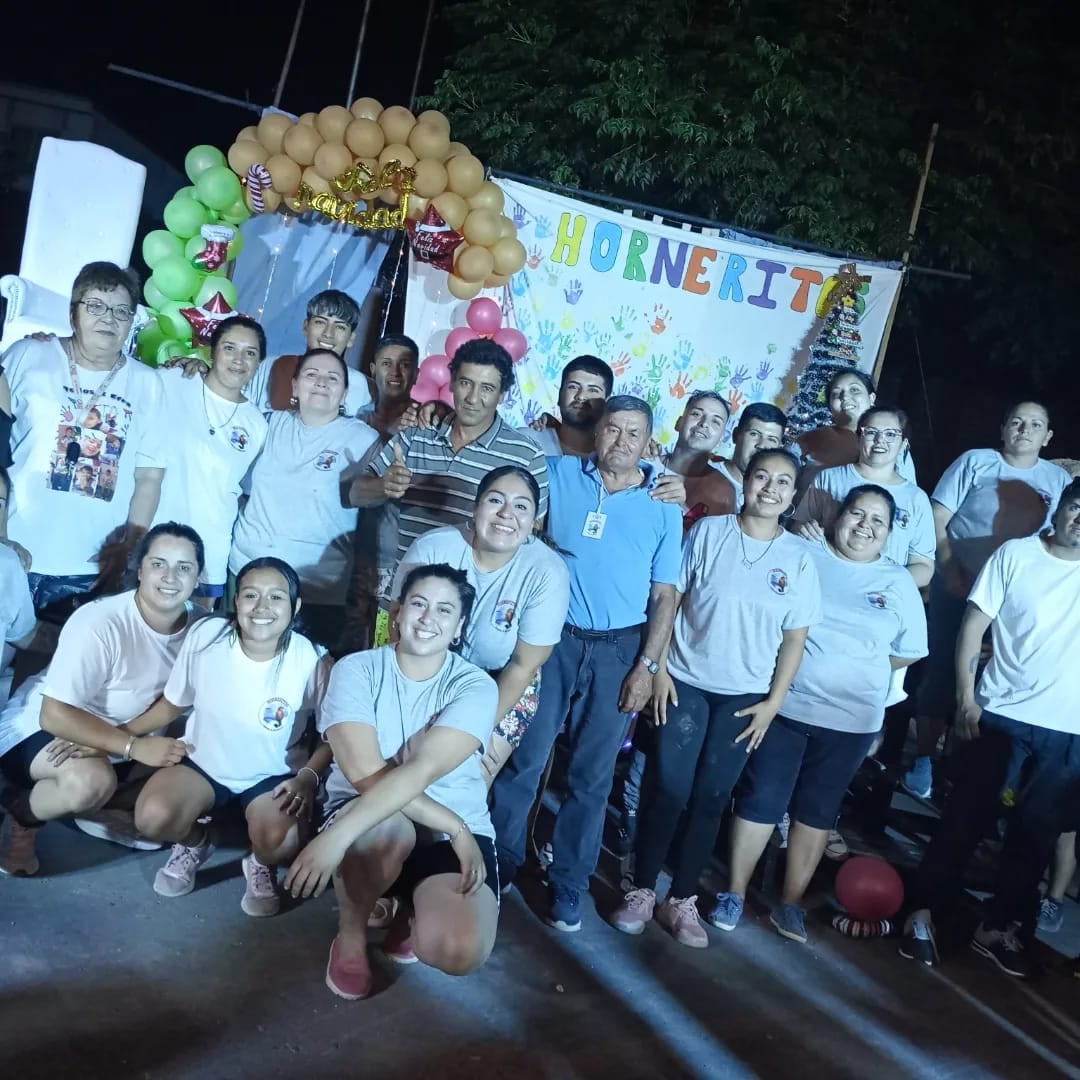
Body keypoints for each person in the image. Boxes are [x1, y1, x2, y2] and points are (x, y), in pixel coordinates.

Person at [608, 449, 820, 947]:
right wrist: (656, 667)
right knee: (669, 789)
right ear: (746, 481)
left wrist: (773, 702)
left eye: (782, 483)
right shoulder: (709, 532)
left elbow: (795, 637)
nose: (769, 488)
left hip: (745, 698)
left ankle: (682, 900)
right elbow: (672, 597)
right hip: (684, 682)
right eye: (762, 476)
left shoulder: (798, 559)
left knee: (711, 799)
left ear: (793, 496)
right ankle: (641, 890)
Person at [490, 396, 682, 932]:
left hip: (620, 649)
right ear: (595, 433)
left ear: (649, 443)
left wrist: (647, 666)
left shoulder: (663, 501)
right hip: (550, 642)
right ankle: (499, 868)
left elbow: (665, 596)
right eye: (612, 429)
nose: (621, 440)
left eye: (633, 433)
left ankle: (569, 883)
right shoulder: (556, 475)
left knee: (592, 777)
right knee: (524, 760)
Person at [721, 486, 927, 943]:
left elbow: (908, 651)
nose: (865, 525)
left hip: (852, 722)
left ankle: (790, 905)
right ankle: (733, 893)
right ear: (838, 516)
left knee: (816, 813)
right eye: (857, 513)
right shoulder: (804, 553)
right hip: (785, 706)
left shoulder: (898, 583)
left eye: (878, 520)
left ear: (890, 533)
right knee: (761, 800)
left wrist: (858, 667)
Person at [285, 565, 500, 1001]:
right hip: (372, 819)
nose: (428, 617)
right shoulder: (356, 669)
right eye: (418, 604)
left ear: (459, 628)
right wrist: (339, 835)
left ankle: (409, 911)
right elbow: (364, 772)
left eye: (444, 610)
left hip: (453, 827)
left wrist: (459, 829)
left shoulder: (475, 685)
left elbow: (422, 770)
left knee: (457, 948)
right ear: (397, 613)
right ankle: (350, 934)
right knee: (386, 826)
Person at [900, 479, 1080, 978]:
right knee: (965, 819)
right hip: (1000, 714)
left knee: (1035, 835)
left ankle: (999, 928)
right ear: (1061, 509)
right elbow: (974, 626)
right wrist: (965, 696)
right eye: (1077, 507)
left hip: (1069, 730)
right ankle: (922, 913)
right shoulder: (1018, 556)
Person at [132, 557, 332, 917]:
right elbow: (172, 705)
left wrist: (307, 777)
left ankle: (258, 861)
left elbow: (334, 736)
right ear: (235, 601)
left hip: (272, 776)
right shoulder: (207, 637)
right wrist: (117, 738)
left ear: (295, 606)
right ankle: (197, 843)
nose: (262, 608)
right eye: (251, 595)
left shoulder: (312, 659)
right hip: (203, 764)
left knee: (280, 842)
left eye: (276, 597)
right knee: (152, 817)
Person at [0, 523, 202, 876]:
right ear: (139, 571)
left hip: (127, 731)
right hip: (45, 728)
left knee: (180, 787)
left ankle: (95, 808)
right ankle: (22, 814)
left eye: (184, 567)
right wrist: (129, 747)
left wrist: (126, 740)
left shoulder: (202, 629)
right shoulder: (101, 621)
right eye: (158, 564)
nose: (171, 576)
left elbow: (177, 702)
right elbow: (54, 714)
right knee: (91, 783)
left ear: (198, 578)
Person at [904, 400, 1069, 798]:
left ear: (1047, 437)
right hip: (959, 583)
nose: (1024, 430)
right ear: (1002, 428)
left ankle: (960, 766)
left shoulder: (1056, 479)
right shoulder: (976, 461)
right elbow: (937, 516)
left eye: (1034, 424)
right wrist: (950, 565)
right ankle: (923, 758)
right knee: (945, 667)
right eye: (1016, 421)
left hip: (1016, 595)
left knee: (989, 679)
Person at [351, 339, 549, 641]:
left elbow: (532, 534)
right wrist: (383, 486)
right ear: (452, 382)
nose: (473, 397)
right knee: (388, 681)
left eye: (486, 388)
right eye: (466, 383)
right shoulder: (416, 433)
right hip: (403, 598)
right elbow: (355, 494)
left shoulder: (526, 455)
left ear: (502, 395)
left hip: (476, 610)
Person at [0, 262, 167, 614]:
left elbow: (149, 476)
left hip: (91, 566)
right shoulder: (28, 356)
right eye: (95, 306)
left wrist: (131, 549)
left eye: (122, 311)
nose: (109, 319)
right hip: (13, 550)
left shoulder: (148, 383)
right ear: (73, 313)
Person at [391, 466, 570, 782]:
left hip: (502, 682)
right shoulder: (433, 548)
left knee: (462, 775)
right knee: (401, 760)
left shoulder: (547, 571)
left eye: (521, 506)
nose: (506, 514)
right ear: (475, 508)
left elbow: (523, 666)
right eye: (495, 501)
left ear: (533, 521)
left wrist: (472, 730)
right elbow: (397, 624)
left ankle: (456, 830)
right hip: (425, 673)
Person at [230, 348, 380, 653]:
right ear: (295, 386)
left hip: (318, 587)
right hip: (250, 572)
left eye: (332, 378)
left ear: (345, 393)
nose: (322, 383)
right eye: (312, 375)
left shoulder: (363, 438)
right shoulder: (266, 425)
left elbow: (378, 506)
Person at [153, 316, 269, 607]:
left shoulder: (257, 424)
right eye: (229, 348)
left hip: (209, 549)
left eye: (250, 353)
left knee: (192, 640)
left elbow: (245, 490)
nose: (239, 360)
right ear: (212, 351)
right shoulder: (174, 381)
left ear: (258, 363)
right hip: (153, 535)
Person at [793, 406, 935, 587]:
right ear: (859, 438)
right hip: (825, 582)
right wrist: (806, 531)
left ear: (903, 445)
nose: (879, 440)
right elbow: (797, 529)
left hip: (881, 598)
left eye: (891, 434)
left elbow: (923, 566)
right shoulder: (829, 478)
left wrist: (883, 584)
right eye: (871, 432)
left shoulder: (916, 498)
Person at [344, 333, 420, 652]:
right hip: (343, 555)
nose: (395, 373)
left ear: (417, 372)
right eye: (387, 364)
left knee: (382, 646)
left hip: (392, 559)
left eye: (405, 365)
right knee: (344, 647)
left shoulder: (427, 423)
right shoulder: (352, 419)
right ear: (373, 368)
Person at [245, 289, 373, 418]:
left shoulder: (359, 384)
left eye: (340, 327)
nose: (328, 333)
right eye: (320, 322)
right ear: (305, 327)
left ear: (351, 338)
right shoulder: (270, 366)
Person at [795, 369, 916, 486]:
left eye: (854, 390)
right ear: (830, 406)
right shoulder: (810, 439)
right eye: (836, 393)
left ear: (872, 398)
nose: (845, 397)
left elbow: (905, 492)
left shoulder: (892, 446)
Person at [662, 392, 736, 524]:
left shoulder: (724, 491)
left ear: (720, 438)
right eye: (696, 414)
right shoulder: (647, 464)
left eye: (715, 421)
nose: (704, 424)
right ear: (679, 423)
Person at [521, 355, 614, 457]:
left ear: (606, 402)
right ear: (560, 395)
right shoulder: (526, 442)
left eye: (593, 390)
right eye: (573, 387)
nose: (581, 396)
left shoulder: (615, 456)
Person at [707, 403, 788, 512]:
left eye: (771, 439)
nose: (761, 445)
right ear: (736, 435)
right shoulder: (702, 474)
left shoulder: (773, 498)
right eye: (754, 434)